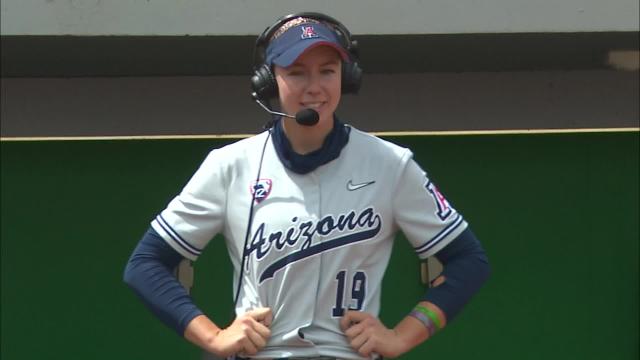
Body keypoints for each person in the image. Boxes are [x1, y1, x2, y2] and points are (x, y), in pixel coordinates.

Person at [124, 12, 490, 360]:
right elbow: (145, 264)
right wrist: (213, 337)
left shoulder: (390, 164)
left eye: (327, 71)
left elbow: (468, 262)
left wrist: (401, 336)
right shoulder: (231, 165)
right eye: (297, 73)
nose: (314, 87)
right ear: (268, 81)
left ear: (346, 77)